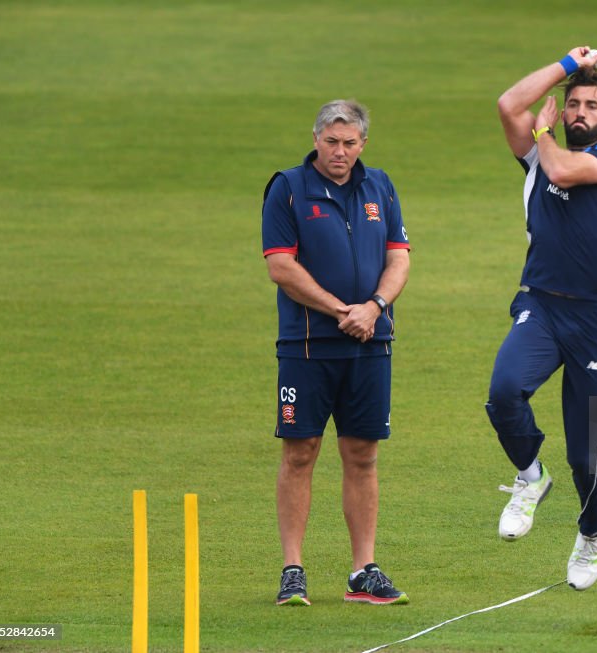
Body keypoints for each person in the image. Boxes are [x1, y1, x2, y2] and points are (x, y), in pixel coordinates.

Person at [487, 47, 597, 590]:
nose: (579, 111)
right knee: (504, 392)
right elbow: (509, 104)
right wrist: (565, 65)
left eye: (590, 106)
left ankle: (592, 532)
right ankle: (530, 478)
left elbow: (560, 167)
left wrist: (545, 132)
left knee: (584, 452)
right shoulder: (537, 152)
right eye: (572, 103)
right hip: (542, 306)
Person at [261, 99, 411, 606]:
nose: (340, 152)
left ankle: (362, 571)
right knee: (300, 452)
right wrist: (341, 311)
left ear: (362, 143)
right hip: (306, 346)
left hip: (371, 343)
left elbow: (399, 258)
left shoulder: (381, 186)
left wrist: (373, 307)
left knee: (363, 455)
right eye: (331, 142)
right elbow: (281, 267)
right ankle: (292, 570)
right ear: (316, 138)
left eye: (349, 143)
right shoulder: (288, 188)